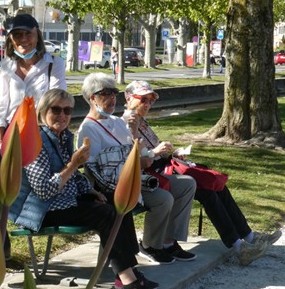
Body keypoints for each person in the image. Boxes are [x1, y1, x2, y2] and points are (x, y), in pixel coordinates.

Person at [9, 89, 164, 289]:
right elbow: (43, 190)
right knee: (106, 213)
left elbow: (74, 176)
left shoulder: (63, 137)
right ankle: (129, 284)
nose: (62, 115)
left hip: (65, 200)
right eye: (56, 109)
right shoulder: (37, 142)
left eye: (67, 110)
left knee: (117, 203)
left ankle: (128, 272)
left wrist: (90, 190)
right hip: (41, 210)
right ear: (43, 111)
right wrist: (73, 164)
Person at [123, 80, 281, 266]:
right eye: (143, 99)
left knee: (216, 184)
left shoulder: (142, 121)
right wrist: (156, 152)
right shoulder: (127, 123)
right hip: (150, 177)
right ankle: (239, 246)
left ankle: (249, 237)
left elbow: (150, 152)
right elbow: (135, 159)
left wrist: (171, 153)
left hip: (162, 169)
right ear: (128, 98)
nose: (147, 104)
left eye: (151, 100)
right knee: (206, 191)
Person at [0, 13, 67, 257]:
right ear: (10, 39)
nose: (23, 39)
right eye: (17, 35)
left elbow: (56, 103)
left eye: (28, 33)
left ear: (37, 34)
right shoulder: (7, 66)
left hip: (39, 134)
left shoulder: (53, 64)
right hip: (9, 135)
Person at [77, 73, 197, 265]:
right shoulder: (88, 129)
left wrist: (134, 135)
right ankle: (150, 247)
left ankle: (167, 242)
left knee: (186, 184)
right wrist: (140, 161)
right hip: (111, 187)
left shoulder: (117, 122)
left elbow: (136, 154)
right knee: (163, 199)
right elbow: (98, 170)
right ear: (92, 97)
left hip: (134, 179)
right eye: (106, 93)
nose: (112, 99)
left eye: (114, 93)